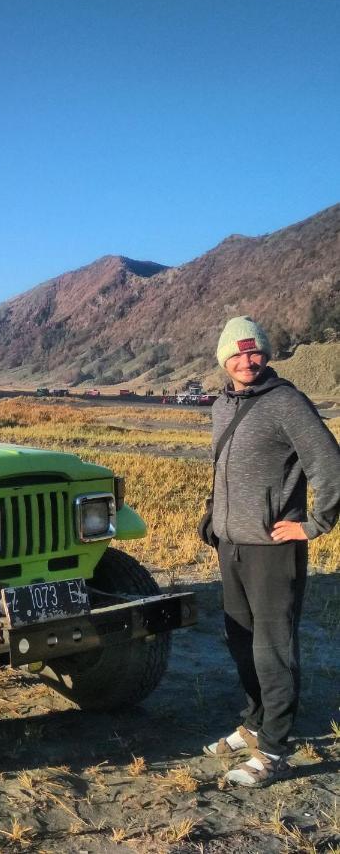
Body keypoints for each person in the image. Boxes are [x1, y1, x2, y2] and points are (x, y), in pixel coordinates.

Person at [203, 316, 340, 787]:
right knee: (240, 637)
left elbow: (329, 464)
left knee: (273, 646)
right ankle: (254, 721)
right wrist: (212, 516)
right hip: (231, 544)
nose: (247, 361)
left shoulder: (287, 403)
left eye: (254, 351)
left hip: (272, 549)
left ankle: (276, 748)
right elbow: (223, 466)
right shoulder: (222, 405)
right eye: (237, 354)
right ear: (224, 359)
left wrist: (314, 524)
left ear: (266, 355)